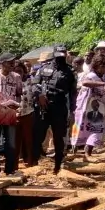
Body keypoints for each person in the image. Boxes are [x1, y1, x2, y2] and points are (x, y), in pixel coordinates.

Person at [31, 44, 75, 173]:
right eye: (58, 55)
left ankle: (58, 165)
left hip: (60, 107)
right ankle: (34, 162)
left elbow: (73, 94)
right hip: (43, 107)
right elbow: (34, 84)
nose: (60, 58)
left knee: (59, 137)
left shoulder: (69, 72)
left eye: (63, 55)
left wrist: (72, 111)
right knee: (38, 135)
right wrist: (39, 95)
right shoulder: (44, 68)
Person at [71, 53, 105, 160]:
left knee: (97, 129)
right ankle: (74, 150)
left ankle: (88, 152)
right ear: (97, 66)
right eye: (104, 66)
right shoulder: (91, 75)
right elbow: (85, 83)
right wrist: (101, 84)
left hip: (99, 108)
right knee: (81, 128)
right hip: (85, 107)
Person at [13, 58, 35, 169]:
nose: (18, 73)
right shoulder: (10, 82)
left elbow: (37, 91)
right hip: (14, 115)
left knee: (29, 140)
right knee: (16, 141)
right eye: (16, 71)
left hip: (28, 114)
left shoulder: (30, 81)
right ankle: (15, 164)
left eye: (20, 71)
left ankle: (30, 162)